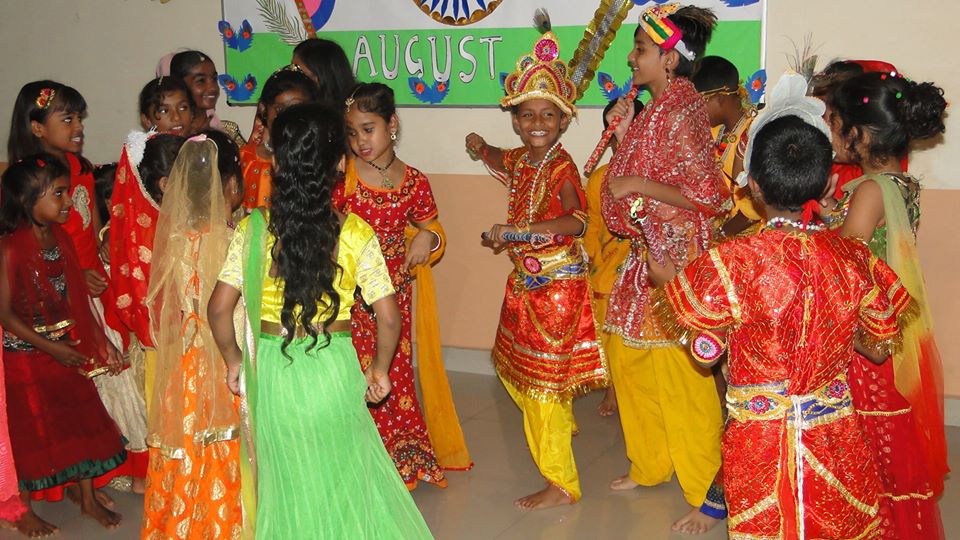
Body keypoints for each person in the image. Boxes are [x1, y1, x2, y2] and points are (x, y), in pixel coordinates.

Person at [655, 82, 912, 537]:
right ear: (829, 183)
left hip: (760, 437)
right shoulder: (855, 260)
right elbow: (877, 349)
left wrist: (669, 284)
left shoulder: (729, 262)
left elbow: (704, 354)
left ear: (753, 185)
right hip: (832, 432)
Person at [207, 103, 432, 539]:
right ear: (340, 164)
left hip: (274, 373)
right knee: (343, 477)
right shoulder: (355, 231)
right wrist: (379, 370)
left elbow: (219, 309)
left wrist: (234, 361)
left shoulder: (252, 229)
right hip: (334, 369)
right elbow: (388, 316)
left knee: (288, 480)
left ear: (276, 162)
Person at [464, 28, 608, 509]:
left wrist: (515, 232)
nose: (538, 123)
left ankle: (561, 482)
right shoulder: (522, 159)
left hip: (557, 287)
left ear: (563, 122)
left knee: (540, 385)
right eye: (528, 115)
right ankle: (558, 420)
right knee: (510, 368)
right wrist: (478, 145)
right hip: (525, 282)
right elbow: (497, 157)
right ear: (516, 121)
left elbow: (576, 220)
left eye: (548, 115)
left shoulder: (563, 168)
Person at [599, 4, 726, 533]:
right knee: (631, 365)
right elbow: (633, 182)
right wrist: (625, 134)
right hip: (644, 257)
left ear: (670, 58)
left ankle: (706, 492)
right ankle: (650, 464)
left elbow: (710, 196)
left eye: (641, 49)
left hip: (675, 262)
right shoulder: (655, 111)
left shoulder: (680, 111)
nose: (632, 58)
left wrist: (638, 185)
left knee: (682, 378)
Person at [825, 70, 947, 538]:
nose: (830, 130)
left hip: (865, 344)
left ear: (859, 134)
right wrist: (835, 212)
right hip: (889, 330)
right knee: (887, 448)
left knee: (869, 450)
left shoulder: (870, 190)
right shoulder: (900, 184)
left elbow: (846, 265)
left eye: (834, 122)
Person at [337, 82, 471, 486]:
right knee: (354, 372)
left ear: (391, 124)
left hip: (393, 294)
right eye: (352, 132)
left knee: (392, 370)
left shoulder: (414, 181)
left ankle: (402, 455)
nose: (360, 141)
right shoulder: (343, 176)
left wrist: (428, 238)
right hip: (349, 294)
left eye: (368, 129)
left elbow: (434, 229)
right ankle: (360, 461)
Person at [0, 156, 127, 536]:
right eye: (58, 193)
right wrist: (51, 348)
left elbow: (76, 299)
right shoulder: (9, 249)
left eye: (66, 191)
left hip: (65, 345)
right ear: (27, 200)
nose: (69, 200)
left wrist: (99, 341)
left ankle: (87, 498)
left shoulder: (61, 238)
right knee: (30, 432)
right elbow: (5, 315)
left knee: (80, 418)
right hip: (24, 354)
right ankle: (22, 509)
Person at [141, 132, 245, 539]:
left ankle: (180, 523)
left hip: (186, 362)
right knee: (222, 439)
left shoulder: (176, 239)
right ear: (231, 186)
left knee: (187, 438)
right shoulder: (234, 240)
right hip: (225, 356)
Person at [584, 98, 641, 417]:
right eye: (612, 130)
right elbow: (592, 223)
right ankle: (612, 387)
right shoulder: (600, 178)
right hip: (607, 262)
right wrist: (593, 256)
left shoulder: (650, 175)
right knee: (604, 300)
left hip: (645, 263)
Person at [691, 55, 760, 237]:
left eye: (698, 104)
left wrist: (719, 236)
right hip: (721, 227)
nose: (694, 112)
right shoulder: (713, 133)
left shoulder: (754, 134)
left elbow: (755, 207)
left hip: (750, 236)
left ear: (720, 98)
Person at [240, 67, 317, 212]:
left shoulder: (318, 161)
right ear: (263, 109)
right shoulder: (245, 158)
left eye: (298, 109)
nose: (288, 118)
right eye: (280, 110)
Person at [160, 50, 244, 145]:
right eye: (201, 81)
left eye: (214, 79)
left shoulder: (225, 131)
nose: (213, 88)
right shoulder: (169, 136)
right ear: (178, 84)